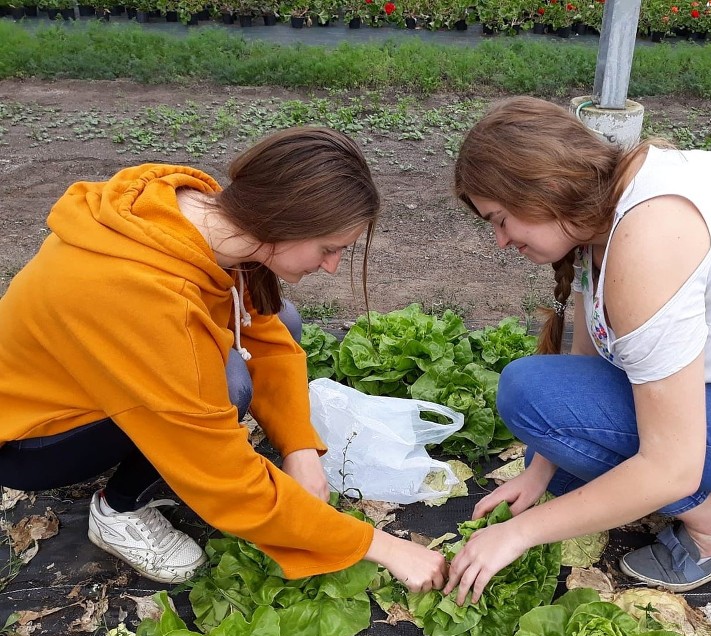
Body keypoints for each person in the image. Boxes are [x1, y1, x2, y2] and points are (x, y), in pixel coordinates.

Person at [0, 126, 447, 592]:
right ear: (284, 221)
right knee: (228, 384)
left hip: (76, 377)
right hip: (25, 440)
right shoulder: (147, 302)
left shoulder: (201, 214)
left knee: (282, 319)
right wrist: (383, 546)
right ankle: (118, 511)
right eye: (329, 248)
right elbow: (226, 481)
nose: (332, 266)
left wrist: (299, 448)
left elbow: (269, 334)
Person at [444, 96, 711, 604]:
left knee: (529, 395)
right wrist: (538, 470)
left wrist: (514, 535)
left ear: (545, 188)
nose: (501, 241)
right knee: (560, 468)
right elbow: (589, 351)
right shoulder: (622, 193)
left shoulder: (648, 242)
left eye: (500, 219)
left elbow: (671, 468)